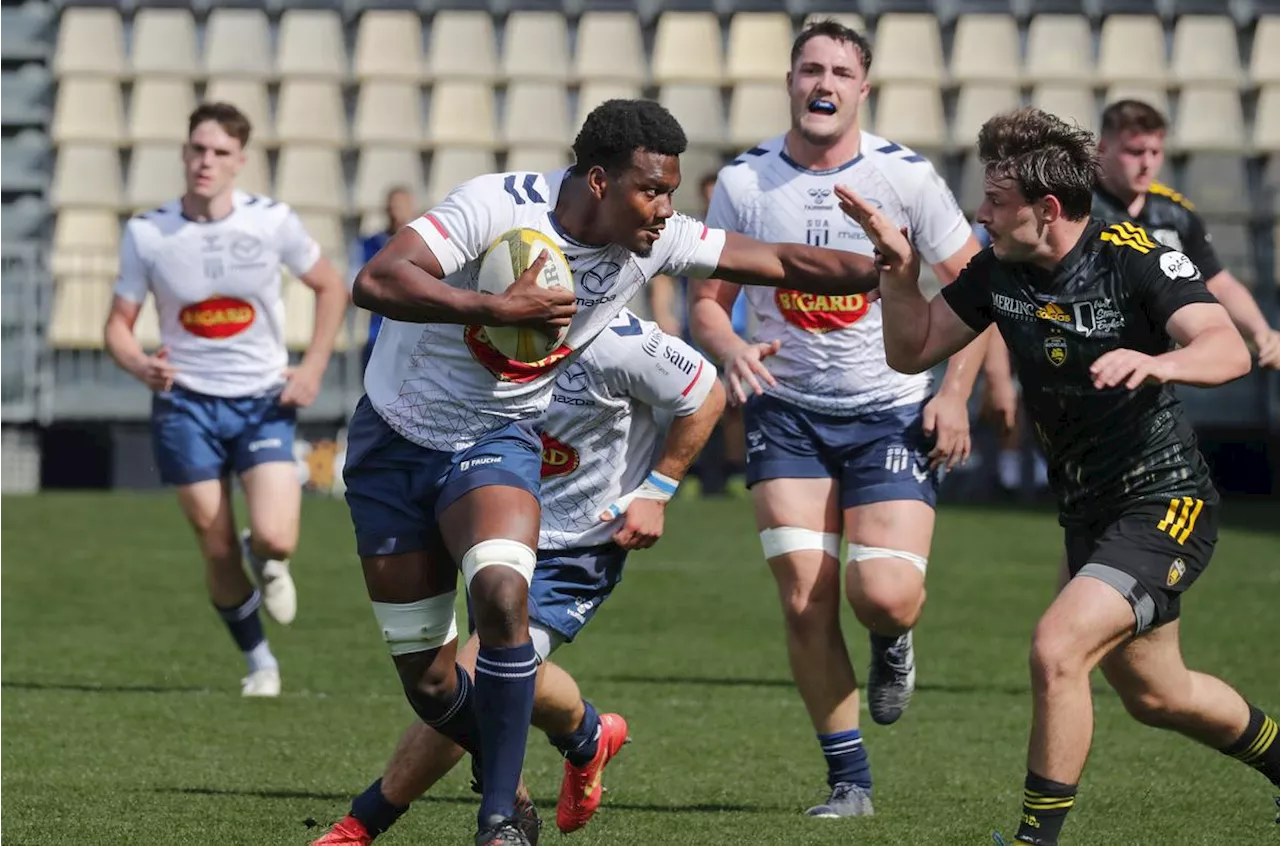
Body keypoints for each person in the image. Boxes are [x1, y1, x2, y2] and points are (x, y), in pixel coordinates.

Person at [346, 97, 882, 846]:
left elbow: (784, 262)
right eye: (651, 190)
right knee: (434, 686)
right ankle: (582, 739)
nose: (665, 208)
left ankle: (499, 819)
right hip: (393, 444)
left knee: (503, 599)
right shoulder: (495, 205)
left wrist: (891, 265)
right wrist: (494, 304)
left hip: (500, 437)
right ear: (598, 181)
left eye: (671, 190)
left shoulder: (656, 241)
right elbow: (377, 280)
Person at [839, 106, 1280, 846]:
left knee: (1056, 648)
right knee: (1156, 694)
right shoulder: (998, 268)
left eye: (994, 203)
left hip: (1165, 500)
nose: (980, 214)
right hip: (1087, 510)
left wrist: (1157, 361)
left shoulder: (1133, 256)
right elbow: (911, 350)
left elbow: (1226, 348)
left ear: (1047, 210)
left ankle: (1034, 839)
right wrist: (896, 270)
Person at [689, 18, 999, 818]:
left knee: (885, 596)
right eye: (808, 70)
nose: (822, 84)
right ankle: (848, 780)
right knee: (804, 593)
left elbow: (980, 292)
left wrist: (954, 392)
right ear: (790, 82)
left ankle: (894, 642)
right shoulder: (745, 182)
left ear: (863, 88)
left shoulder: (907, 178)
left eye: (839, 73)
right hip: (786, 414)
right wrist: (727, 345)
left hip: (891, 411)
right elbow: (708, 303)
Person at [311, 308, 725, 845]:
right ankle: (587, 736)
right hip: (488, 518)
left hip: (575, 546)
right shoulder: (475, 331)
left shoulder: (619, 342)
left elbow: (707, 393)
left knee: (477, 673)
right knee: (509, 666)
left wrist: (658, 491)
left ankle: (362, 824)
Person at [103, 102, 349, 697]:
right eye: (196, 149)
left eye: (218, 152)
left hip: (263, 399)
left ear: (240, 161)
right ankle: (260, 662)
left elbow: (331, 287)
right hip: (185, 404)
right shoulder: (147, 232)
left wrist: (313, 366)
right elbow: (117, 325)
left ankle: (262, 553)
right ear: (184, 154)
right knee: (214, 548)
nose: (204, 161)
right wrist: (140, 364)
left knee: (276, 538)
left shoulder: (271, 222)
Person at [1091, 99, 1280, 368]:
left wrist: (1262, 332)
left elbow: (1217, 281)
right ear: (1103, 148)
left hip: (1153, 368)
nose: (1147, 163)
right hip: (1083, 362)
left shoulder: (1176, 214)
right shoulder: (1075, 208)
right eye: (1135, 151)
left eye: (1156, 152)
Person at [650, 171, 750, 497]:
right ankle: (689, 473)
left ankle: (735, 470)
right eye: (709, 195)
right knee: (694, 400)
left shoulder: (745, 236)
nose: (713, 201)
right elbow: (664, 278)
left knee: (734, 403)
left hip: (738, 333)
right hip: (697, 333)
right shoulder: (693, 235)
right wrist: (664, 315)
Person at [356, 186, 417, 371]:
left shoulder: (422, 243)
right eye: (392, 207)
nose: (395, 212)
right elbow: (356, 280)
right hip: (378, 334)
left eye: (400, 207)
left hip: (413, 335)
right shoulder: (369, 244)